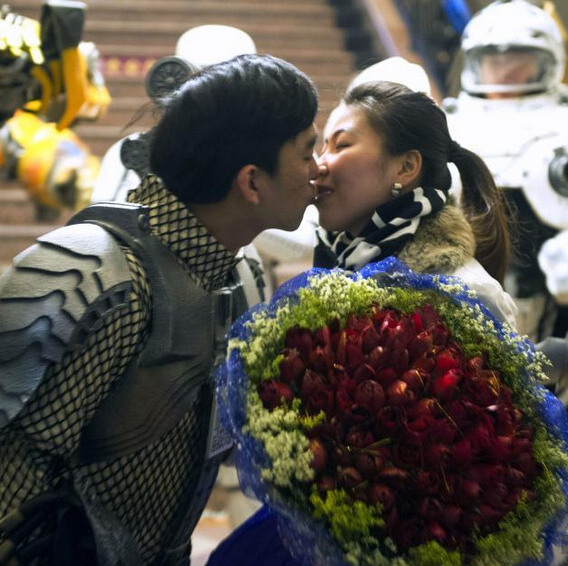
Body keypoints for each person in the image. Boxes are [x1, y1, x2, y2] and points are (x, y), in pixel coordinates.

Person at [0, 53, 319, 565]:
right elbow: (12, 477)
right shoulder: (88, 273)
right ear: (252, 182)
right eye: (307, 153)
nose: (318, 170)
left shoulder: (242, 273)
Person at [206, 73, 518, 566]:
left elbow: (485, 462)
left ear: (406, 167)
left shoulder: (463, 291)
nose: (320, 165)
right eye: (319, 147)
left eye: (341, 145)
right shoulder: (335, 267)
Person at [443, 0, 568, 341]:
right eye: (495, 61)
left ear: (546, 62)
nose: (505, 73)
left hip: (550, 283)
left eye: (519, 62)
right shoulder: (450, 121)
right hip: (466, 269)